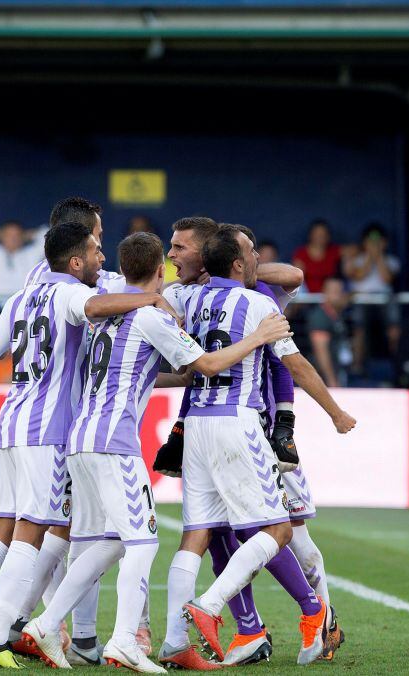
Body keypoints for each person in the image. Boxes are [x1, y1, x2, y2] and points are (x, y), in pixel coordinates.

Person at [17, 232, 293, 671]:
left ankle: (44, 625)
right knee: (141, 543)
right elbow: (206, 364)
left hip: (80, 441)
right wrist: (259, 335)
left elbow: (135, 370)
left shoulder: (102, 315)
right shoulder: (151, 317)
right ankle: (124, 640)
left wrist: (177, 376)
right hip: (114, 444)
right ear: (160, 271)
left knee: (107, 543)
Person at [0, 222, 178, 669]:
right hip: (50, 430)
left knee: (5, 530)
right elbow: (98, 306)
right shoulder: (69, 293)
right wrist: (151, 296)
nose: (102, 258)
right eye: (96, 248)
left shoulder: (21, 294)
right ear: (74, 259)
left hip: (10, 422)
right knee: (36, 531)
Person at [158, 225, 355, 669]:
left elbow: (292, 274)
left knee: (203, 534)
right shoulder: (258, 304)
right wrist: (336, 412)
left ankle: (180, 637)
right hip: (240, 425)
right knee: (278, 530)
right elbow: (296, 365)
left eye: (179, 248)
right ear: (235, 260)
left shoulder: (189, 298)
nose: (256, 257)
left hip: (202, 428)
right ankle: (217, 610)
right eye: (248, 252)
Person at [346, 223, 402, 373]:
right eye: (370, 242)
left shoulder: (391, 261)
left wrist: (379, 256)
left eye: (378, 242)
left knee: (393, 328)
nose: (374, 245)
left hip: (384, 299)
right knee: (359, 330)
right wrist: (371, 256)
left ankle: (398, 364)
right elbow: (359, 275)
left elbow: (387, 278)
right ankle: (357, 366)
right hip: (362, 299)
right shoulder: (357, 260)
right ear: (364, 243)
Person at [308, 277, 354, 388]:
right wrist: (332, 381)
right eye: (334, 292)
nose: (339, 295)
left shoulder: (337, 315)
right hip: (323, 380)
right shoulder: (320, 317)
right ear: (325, 293)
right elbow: (321, 352)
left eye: (340, 292)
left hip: (339, 371)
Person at [291, 219, 343, 293]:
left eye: (323, 234)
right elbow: (296, 279)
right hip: (306, 297)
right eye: (317, 234)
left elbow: (352, 250)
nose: (320, 237)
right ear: (310, 235)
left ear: (328, 236)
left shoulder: (334, 251)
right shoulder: (301, 253)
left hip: (329, 297)